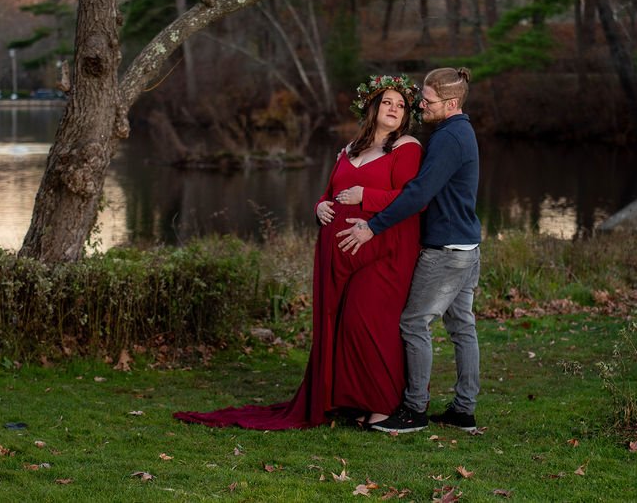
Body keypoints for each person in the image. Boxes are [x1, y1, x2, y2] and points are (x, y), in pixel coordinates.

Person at [173, 75, 423, 430]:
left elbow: (412, 199)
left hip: (384, 251)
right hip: (336, 254)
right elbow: (329, 192)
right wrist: (319, 207)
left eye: (401, 105)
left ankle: (383, 404)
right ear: (373, 106)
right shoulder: (350, 148)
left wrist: (365, 198)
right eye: (388, 102)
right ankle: (348, 400)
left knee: (365, 320)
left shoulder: (407, 147)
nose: (395, 109)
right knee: (337, 324)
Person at [337, 66, 481, 434]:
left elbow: (418, 193)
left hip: (447, 250)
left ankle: (414, 410)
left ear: (450, 103)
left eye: (428, 101)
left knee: (414, 323)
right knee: (462, 327)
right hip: (466, 244)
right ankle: (463, 410)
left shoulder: (448, 138)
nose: (421, 106)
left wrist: (373, 226)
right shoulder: (458, 130)